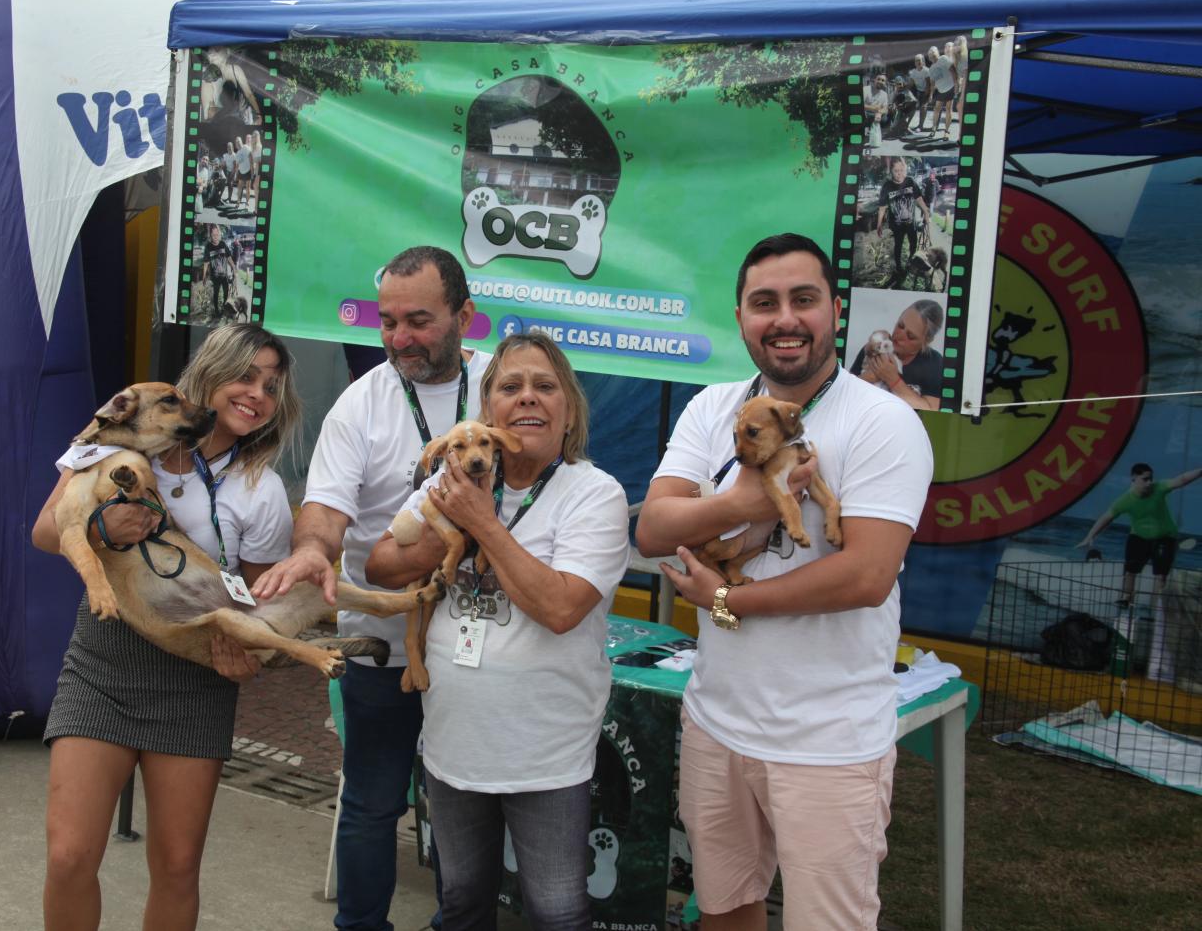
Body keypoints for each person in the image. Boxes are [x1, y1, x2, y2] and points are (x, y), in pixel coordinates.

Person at [635, 233, 933, 931]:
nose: (785, 319)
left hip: (828, 741)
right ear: (740, 317)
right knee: (725, 908)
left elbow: (865, 573)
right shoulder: (714, 408)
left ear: (835, 309)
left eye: (803, 299)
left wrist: (725, 599)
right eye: (764, 303)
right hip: (717, 720)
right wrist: (743, 502)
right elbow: (652, 527)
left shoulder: (884, 421)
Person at [252, 245, 492, 931]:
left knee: (469, 808)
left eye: (418, 320)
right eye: (387, 321)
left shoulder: (505, 384)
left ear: (464, 316)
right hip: (384, 645)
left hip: (482, 643)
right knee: (372, 801)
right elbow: (326, 509)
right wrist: (310, 552)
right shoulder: (363, 402)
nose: (398, 338)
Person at [32, 323, 302, 931]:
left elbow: (256, 601)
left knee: (177, 866)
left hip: (193, 677)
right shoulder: (116, 440)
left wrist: (249, 653)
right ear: (208, 374)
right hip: (104, 660)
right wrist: (100, 532)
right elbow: (45, 532)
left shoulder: (262, 490)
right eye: (244, 375)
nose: (257, 394)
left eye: (271, 385)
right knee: (70, 854)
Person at [364, 331, 630, 930]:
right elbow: (380, 566)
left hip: (545, 755)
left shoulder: (594, 493)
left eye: (545, 386)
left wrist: (483, 526)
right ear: (489, 413)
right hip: (453, 745)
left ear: (569, 410)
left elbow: (560, 608)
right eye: (510, 387)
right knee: (460, 904)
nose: (528, 399)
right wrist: (450, 527)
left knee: (557, 911)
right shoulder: (456, 481)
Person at [1078, 463, 1201, 615]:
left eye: (1151, 479)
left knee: (1160, 576)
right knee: (1130, 572)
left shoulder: (1159, 488)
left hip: (1165, 538)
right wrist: (1090, 536)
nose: (1149, 482)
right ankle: (1126, 599)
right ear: (1134, 479)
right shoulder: (1125, 500)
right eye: (1145, 479)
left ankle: (1156, 611)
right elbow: (1106, 517)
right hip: (1139, 537)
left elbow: (1181, 479)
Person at [850, 298, 945, 411]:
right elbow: (847, 393)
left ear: (926, 340)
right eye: (900, 325)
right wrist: (869, 377)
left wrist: (892, 379)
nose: (899, 336)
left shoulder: (934, 363)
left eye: (910, 336)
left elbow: (931, 409)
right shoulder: (876, 347)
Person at [874, 158, 932, 289]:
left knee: (914, 243)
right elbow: (882, 207)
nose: (899, 173)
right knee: (898, 245)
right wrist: (878, 224)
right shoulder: (887, 186)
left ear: (904, 170)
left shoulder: (910, 181)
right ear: (891, 172)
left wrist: (926, 212)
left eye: (901, 170)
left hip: (911, 223)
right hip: (897, 225)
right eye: (896, 171)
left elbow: (918, 198)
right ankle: (899, 267)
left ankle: (910, 262)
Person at [200, 223, 239, 316]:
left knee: (226, 292)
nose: (215, 237)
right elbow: (206, 263)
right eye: (213, 235)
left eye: (217, 235)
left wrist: (233, 267)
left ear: (219, 234)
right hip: (215, 276)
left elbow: (229, 257)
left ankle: (224, 308)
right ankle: (217, 310)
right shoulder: (208, 247)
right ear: (210, 235)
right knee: (216, 293)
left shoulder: (223, 244)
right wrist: (204, 276)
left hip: (224, 274)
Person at [924, 45, 957, 141]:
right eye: (930, 56)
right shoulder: (931, 68)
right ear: (929, 58)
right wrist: (930, 95)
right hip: (940, 90)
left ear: (937, 53)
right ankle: (933, 129)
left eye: (934, 54)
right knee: (936, 109)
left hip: (950, 87)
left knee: (948, 109)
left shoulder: (943, 59)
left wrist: (956, 85)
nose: (932, 57)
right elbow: (932, 83)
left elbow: (953, 71)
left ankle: (946, 132)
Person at [906, 54, 931, 132]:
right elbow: (910, 84)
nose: (918, 62)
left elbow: (928, 84)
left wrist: (926, 96)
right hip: (918, 91)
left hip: (927, 90)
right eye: (917, 60)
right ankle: (906, 125)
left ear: (923, 61)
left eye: (920, 60)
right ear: (915, 63)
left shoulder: (927, 70)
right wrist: (904, 90)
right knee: (912, 107)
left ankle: (920, 126)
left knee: (923, 108)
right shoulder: (913, 72)